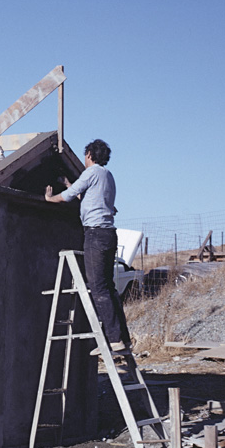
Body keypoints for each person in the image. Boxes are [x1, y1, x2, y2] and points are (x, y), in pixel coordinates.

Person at [44, 139, 131, 354]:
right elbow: (87, 198)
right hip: (109, 234)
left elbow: (68, 197)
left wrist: (49, 198)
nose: (84, 159)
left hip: (95, 234)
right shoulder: (106, 175)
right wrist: (67, 182)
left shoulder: (91, 173)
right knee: (108, 287)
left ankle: (114, 341)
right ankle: (123, 339)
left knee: (98, 288)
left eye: (85, 155)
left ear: (90, 154)